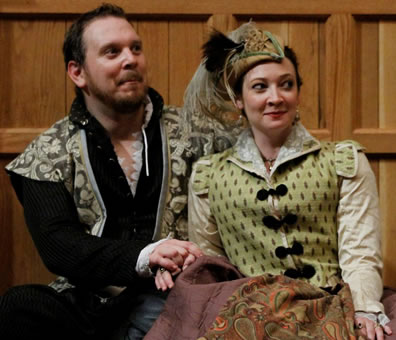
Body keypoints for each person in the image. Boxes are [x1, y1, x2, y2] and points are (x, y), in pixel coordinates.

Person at [0, 4, 240, 340]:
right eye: (112, 52)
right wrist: (145, 255)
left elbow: (260, 152)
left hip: (182, 302)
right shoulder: (46, 154)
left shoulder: (199, 133)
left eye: (135, 48)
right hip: (90, 311)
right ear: (77, 72)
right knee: (20, 305)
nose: (130, 59)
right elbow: (59, 246)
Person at [185, 23, 393, 340]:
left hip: (332, 303)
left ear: (298, 91)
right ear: (238, 99)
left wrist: (364, 307)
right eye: (259, 87)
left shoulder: (343, 162)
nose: (276, 97)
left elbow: (360, 251)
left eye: (286, 84)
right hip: (249, 313)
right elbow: (211, 266)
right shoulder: (208, 175)